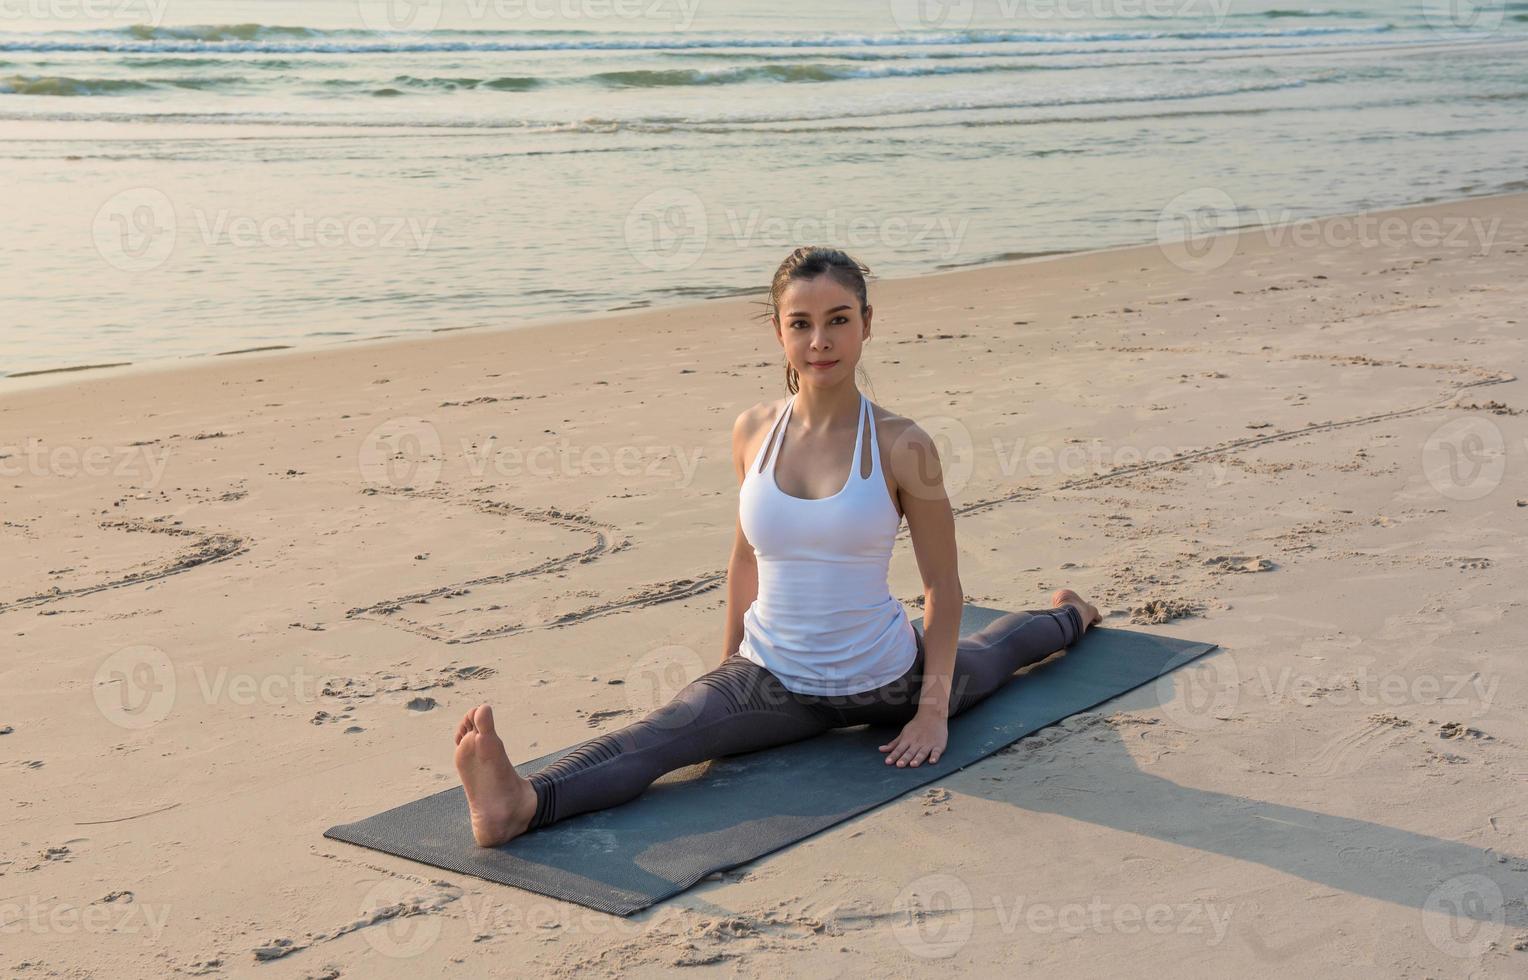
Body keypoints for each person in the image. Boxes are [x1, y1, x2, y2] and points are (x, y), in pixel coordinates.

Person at [453, 245, 1102, 847]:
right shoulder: (753, 432)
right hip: (772, 679)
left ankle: (1072, 613)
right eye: (801, 323)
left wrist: (932, 713)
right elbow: (745, 558)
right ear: (778, 331)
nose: (820, 341)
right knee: (664, 733)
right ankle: (521, 802)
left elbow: (942, 588)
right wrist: (729, 665)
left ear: (867, 324)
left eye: (839, 319)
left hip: (885, 677)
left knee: (999, 652)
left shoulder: (905, 446)